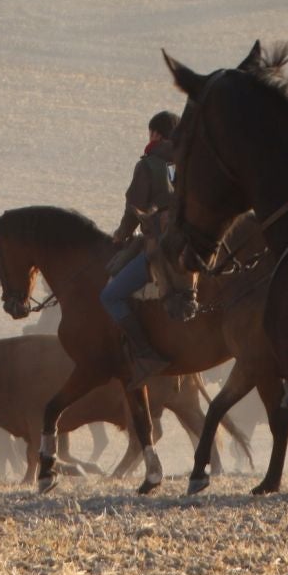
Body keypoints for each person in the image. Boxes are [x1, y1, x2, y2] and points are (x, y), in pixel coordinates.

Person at [100, 110, 179, 379]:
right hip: (190, 244)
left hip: (161, 245)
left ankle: (146, 354)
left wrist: (121, 234)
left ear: (155, 134)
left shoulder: (149, 164)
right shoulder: (186, 162)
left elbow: (135, 207)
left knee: (110, 296)